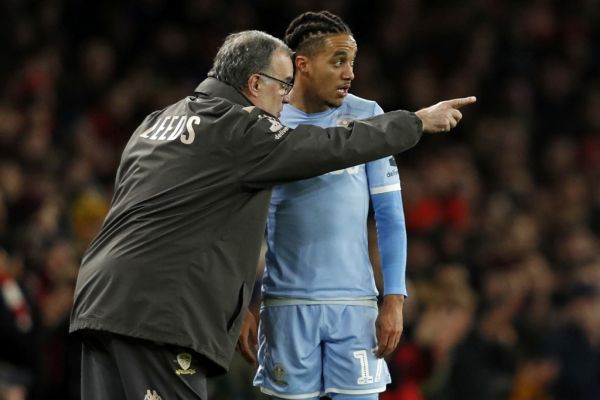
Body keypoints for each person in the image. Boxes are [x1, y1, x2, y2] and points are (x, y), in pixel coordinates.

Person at [69, 29, 475, 400]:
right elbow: (330, 146)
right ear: (254, 83)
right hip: (160, 316)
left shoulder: (156, 121)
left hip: (101, 302)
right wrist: (415, 122)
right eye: (282, 86)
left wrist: (234, 305)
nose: (285, 97)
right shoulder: (239, 128)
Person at [243, 12, 446, 399]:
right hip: (285, 306)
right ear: (302, 65)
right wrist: (240, 306)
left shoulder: (368, 115)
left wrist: (394, 299)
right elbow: (242, 220)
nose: (350, 72)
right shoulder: (270, 119)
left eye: (352, 61)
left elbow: (389, 216)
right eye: (338, 61)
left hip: (355, 308)